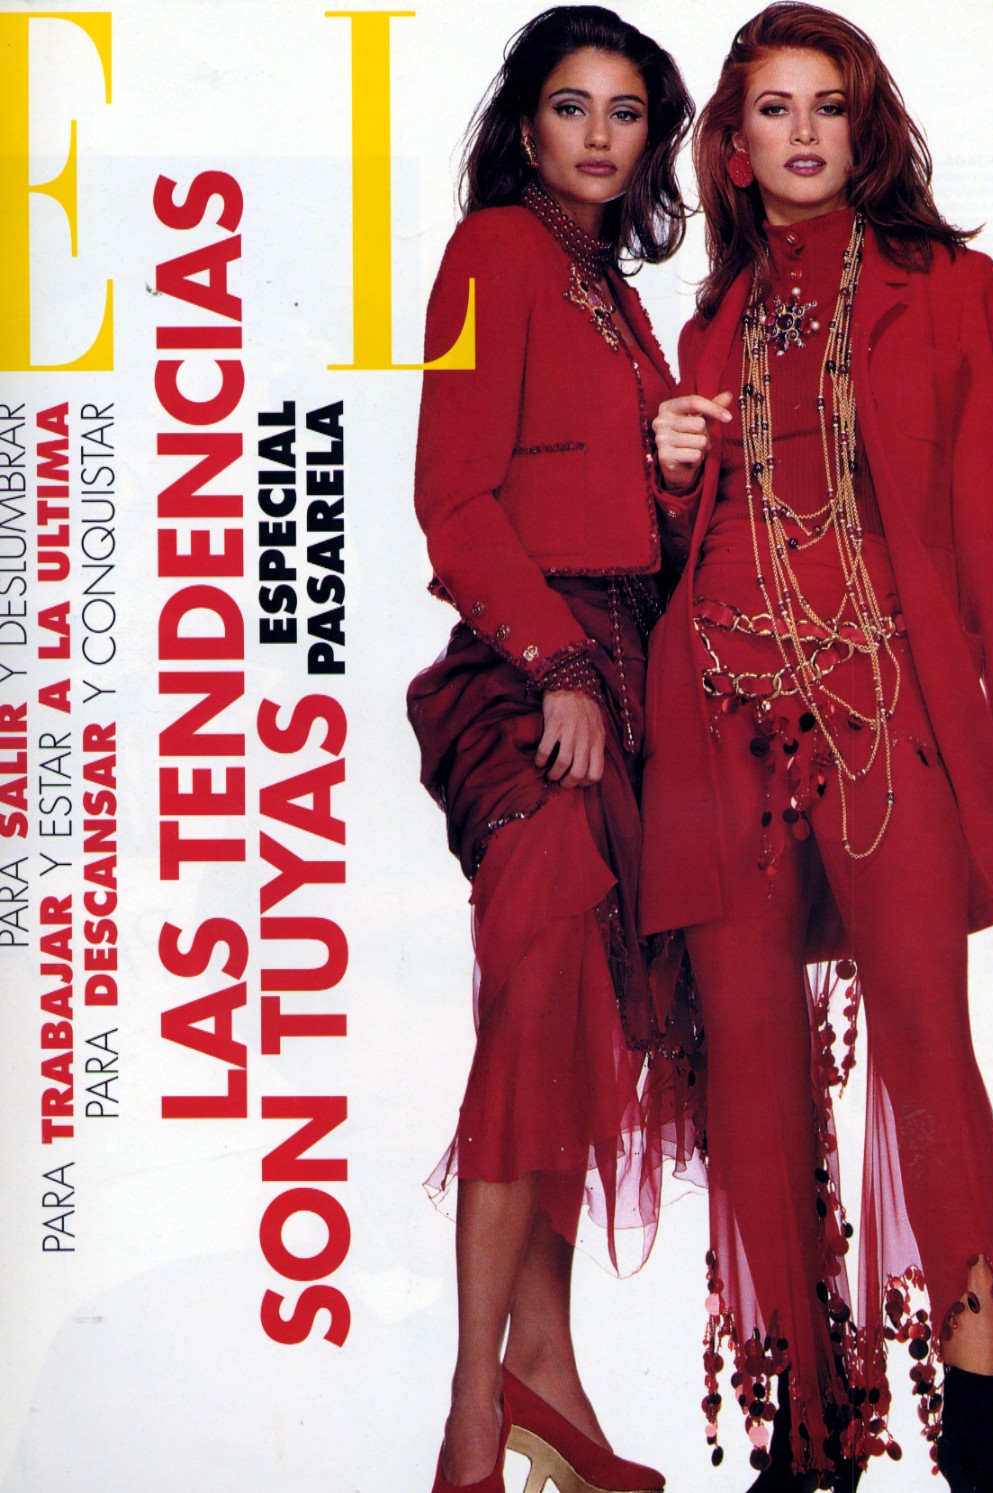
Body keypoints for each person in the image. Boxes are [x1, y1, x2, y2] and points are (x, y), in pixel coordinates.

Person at [640, 5, 993, 1490]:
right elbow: (683, 543)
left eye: (827, 105)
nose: (804, 132)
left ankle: (971, 1423)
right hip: (718, 720)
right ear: (735, 146)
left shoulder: (948, 286)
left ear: (863, 124)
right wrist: (669, 470)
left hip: (887, 710)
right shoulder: (705, 324)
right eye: (774, 109)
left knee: (928, 1047)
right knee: (754, 1065)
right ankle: (801, 1424)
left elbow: (985, 522)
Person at [407, 8, 695, 1491]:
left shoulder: (619, 300)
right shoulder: (494, 255)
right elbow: (454, 501)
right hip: (529, 681)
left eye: (625, 112)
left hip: (633, 688)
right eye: (571, 105)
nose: (598, 134)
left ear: (652, 140)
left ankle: (550, 1379)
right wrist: (560, 668)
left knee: (575, 1026)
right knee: (534, 1007)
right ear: (525, 124)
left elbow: (629, 514)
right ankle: (476, 1412)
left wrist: (676, 471)